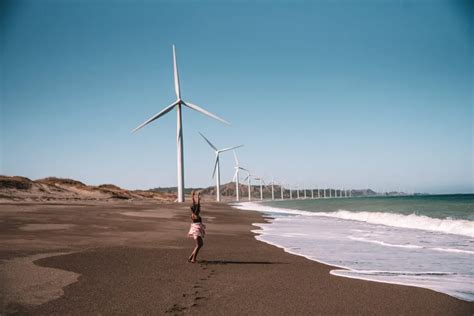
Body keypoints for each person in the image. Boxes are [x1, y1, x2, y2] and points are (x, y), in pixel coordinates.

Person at [188, 191, 206, 263]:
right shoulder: (196, 215)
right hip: (196, 231)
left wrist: (193, 196)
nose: (199, 208)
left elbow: (194, 204)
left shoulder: (193, 214)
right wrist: (197, 197)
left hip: (195, 230)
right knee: (199, 245)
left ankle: (191, 257)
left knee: (199, 244)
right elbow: (197, 205)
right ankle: (193, 259)